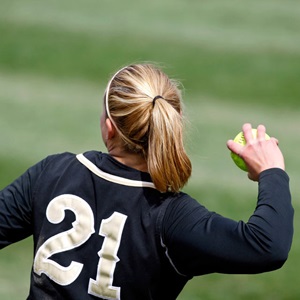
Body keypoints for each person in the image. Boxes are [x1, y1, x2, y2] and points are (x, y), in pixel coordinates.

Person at [0, 63, 294, 300]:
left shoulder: (53, 172)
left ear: (109, 127)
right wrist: (272, 171)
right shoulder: (172, 217)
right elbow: (267, 246)